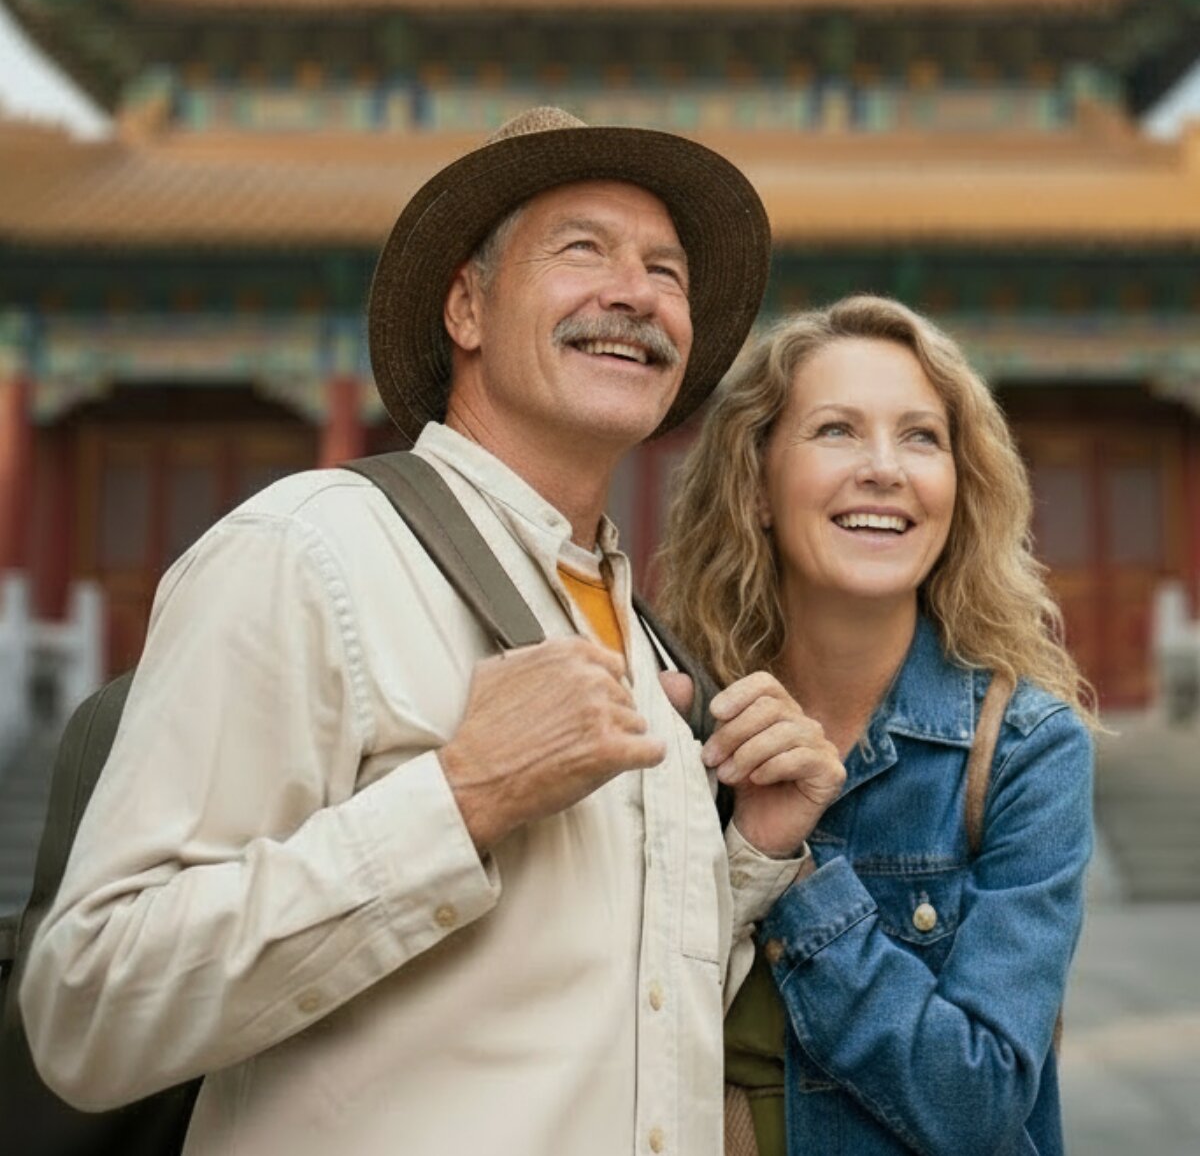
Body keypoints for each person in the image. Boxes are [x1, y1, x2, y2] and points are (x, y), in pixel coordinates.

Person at [20, 107, 844, 1156]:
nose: (635, 293)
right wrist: (459, 798)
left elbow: (611, 1004)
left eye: (666, 271)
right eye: (582, 248)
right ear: (466, 304)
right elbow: (89, 1004)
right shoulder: (308, 551)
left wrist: (747, 854)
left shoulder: (649, 644)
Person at [657, 294, 1095, 1156]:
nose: (885, 468)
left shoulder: (1025, 752)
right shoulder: (681, 725)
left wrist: (798, 875)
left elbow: (977, 1105)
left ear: (957, 491)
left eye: (922, 437)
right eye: (836, 431)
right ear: (755, 488)